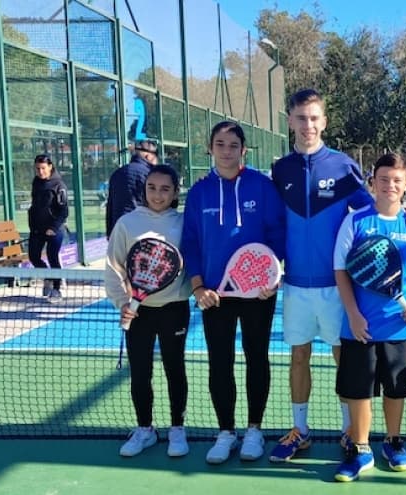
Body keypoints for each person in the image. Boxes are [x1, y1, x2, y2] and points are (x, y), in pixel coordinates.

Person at [266, 89, 375, 462]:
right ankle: (301, 430)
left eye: (314, 118)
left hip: (337, 289)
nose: (308, 125)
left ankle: (349, 431)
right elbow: (273, 223)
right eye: (300, 117)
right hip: (295, 286)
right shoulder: (280, 170)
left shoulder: (344, 166)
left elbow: (369, 216)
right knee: (298, 357)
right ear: (290, 120)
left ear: (324, 121)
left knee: (342, 358)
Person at [180, 121, 286, 465]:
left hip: (258, 294)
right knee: (219, 363)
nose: (227, 150)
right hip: (215, 294)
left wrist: (273, 276)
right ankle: (225, 432)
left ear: (243, 149)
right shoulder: (199, 193)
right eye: (220, 144)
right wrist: (198, 287)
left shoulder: (264, 187)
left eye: (233, 144)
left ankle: (254, 430)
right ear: (210, 148)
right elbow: (191, 243)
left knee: (258, 358)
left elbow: (277, 235)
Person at [332, 153, 406, 481]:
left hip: (401, 327)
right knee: (360, 391)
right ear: (372, 182)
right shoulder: (356, 221)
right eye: (384, 179)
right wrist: (353, 314)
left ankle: (392, 442)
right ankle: (361, 450)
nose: (390, 185)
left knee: (395, 391)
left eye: (397, 180)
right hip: (360, 327)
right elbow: (341, 271)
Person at [105, 164, 191, 458]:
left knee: (174, 369)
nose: (157, 194)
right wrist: (123, 304)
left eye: (165, 188)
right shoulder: (127, 224)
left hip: (174, 309)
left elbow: (193, 264)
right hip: (138, 313)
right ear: (144, 189)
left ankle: (177, 428)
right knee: (140, 373)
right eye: (152, 188)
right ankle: (145, 429)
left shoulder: (184, 223)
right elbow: (114, 267)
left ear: (175, 192)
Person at [28, 154, 69, 302]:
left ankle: (57, 289)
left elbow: (64, 211)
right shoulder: (36, 182)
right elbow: (35, 205)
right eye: (37, 169)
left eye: (43, 168)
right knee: (33, 256)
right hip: (37, 230)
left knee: (53, 257)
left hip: (55, 230)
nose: (40, 172)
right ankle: (49, 278)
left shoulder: (59, 185)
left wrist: (53, 227)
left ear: (50, 167)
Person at [106, 139, 159, 238]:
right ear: (148, 156)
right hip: (142, 231)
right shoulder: (150, 175)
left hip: (118, 230)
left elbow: (110, 205)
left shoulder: (117, 173)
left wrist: (110, 234)